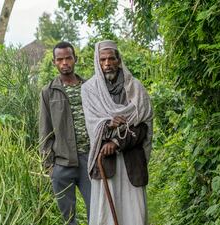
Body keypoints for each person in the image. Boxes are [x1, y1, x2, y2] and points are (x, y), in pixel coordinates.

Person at [81, 40, 153, 225]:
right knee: (105, 217)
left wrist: (117, 143)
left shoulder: (135, 88)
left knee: (135, 216)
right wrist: (108, 124)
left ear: (119, 60)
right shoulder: (89, 89)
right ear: (97, 61)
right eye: (102, 59)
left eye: (111, 59)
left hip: (132, 161)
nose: (107, 64)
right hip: (105, 163)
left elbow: (143, 126)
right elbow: (92, 125)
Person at [39, 41, 91, 225]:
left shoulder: (89, 87)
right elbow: (44, 130)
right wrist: (50, 167)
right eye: (59, 59)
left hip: (89, 161)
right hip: (62, 163)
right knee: (68, 219)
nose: (64, 63)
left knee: (98, 212)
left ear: (75, 59)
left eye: (68, 58)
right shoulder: (48, 91)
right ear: (54, 62)